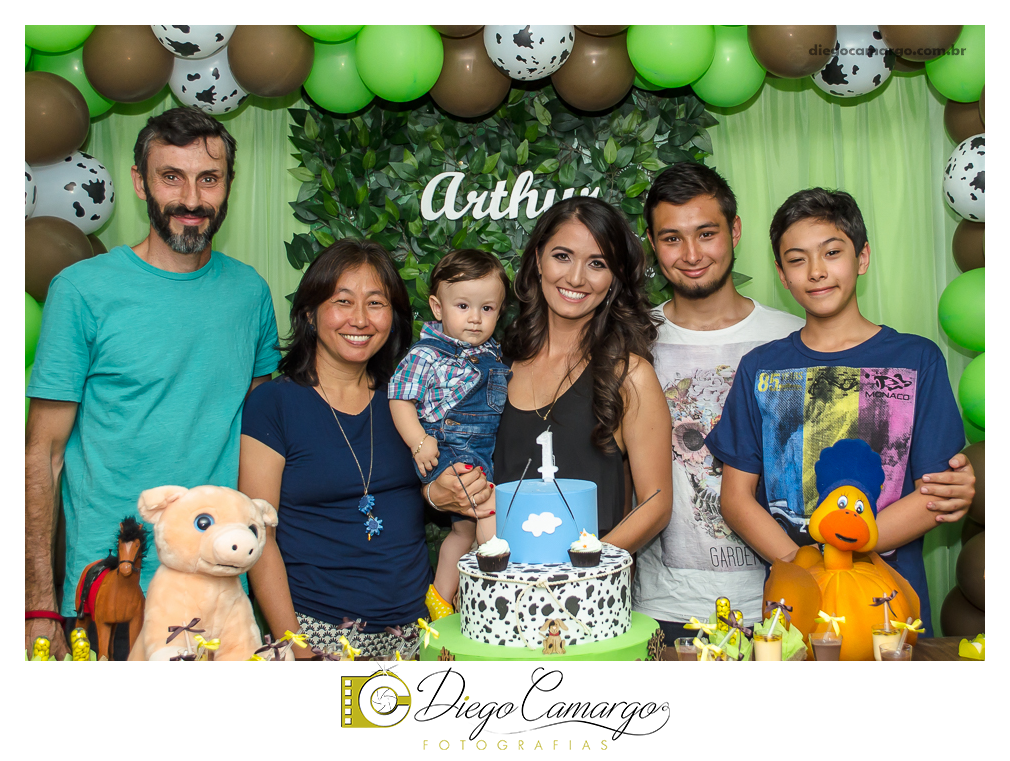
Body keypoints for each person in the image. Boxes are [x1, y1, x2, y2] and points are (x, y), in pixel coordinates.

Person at [632, 164, 975, 643]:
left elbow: (939, 491)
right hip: (789, 605)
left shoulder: (917, 358)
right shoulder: (760, 365)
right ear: (781, 273)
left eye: (832, 253)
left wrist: (844, 547)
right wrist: (807, 566)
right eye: (797, 260)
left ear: (862, 256)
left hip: (887, 605)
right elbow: (735, 497)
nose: (816, 271)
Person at [25, 106, 279, 659]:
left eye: (208, 178)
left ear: (228, 185)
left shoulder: (250, 294)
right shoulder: (82, 291)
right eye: (172, 176)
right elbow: (41, 454)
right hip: (109, 593)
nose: (191, 198)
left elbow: (265, 445)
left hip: (218, 593)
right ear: (141, 182)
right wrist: (38, 603)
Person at [427, 196, 672, 554]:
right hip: (497, 590)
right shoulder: (494, 364)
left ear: (614, 278)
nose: (575, 277)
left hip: (587, 597)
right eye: (562, 256)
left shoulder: (629, 375)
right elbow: (451, 464)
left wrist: (584, 571)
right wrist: (436, 492)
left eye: (597, 263)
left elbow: (656, 504)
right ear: (539, 258)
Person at [239, 240, 433, 657]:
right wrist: (297, 647)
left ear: (394, 318)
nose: (360, 319)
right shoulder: (274, 404)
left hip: (420, 634)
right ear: (310, 314)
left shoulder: (408, 404)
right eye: (343, 301)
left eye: (376, 303)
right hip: (319, 633)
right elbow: (260, 536)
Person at [388, 249, 511, 621]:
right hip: (449, 451)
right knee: (490, 519)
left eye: (487, 309)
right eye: (462, 306)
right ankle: (498, 594)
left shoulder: (492, 353)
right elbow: (400, 397)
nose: (475, 318)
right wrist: (419, 442)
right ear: (437, 307)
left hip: (481, 453)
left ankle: (440, 603)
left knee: (462, 534)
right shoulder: (426, 355)